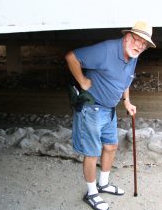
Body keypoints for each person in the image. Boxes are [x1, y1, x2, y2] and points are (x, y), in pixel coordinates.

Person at [65, 21, 156, 210]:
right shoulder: (106, 49)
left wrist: (127, 101)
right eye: (137, 39)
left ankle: (103, 183)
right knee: (92, 153)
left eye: (143, 43)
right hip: (92, 109)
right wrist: (82, 81)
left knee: (111, 146)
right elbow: (71, 57)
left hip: (110, 109)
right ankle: (91, 194)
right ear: (127, 36)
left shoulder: (134, 54)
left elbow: (126, 79)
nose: (139, 45)